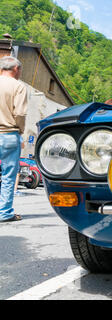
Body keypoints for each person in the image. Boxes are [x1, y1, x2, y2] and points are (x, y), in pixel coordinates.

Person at [0, 56, 28, 222]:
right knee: (9, 176)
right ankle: (4, 213)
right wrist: (21, 131)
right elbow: (20, 113)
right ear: (16, 69)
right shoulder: (18, 86)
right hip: (9, 134)